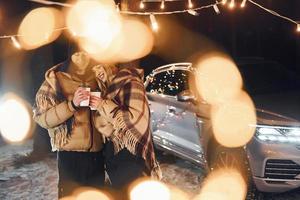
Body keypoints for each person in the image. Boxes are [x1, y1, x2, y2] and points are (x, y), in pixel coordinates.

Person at [33, 52, 105, 199]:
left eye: (85, 54)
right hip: (70, 156)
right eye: (77, 54)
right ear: (70, 56)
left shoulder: (98, 78)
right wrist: (72, 104)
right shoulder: (56, 80)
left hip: (96, 155)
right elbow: (42, 119)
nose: (82, 59)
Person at [89, 64, 162, 199]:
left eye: (99, 66)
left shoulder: (131, 83)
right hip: (114, 153)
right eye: (93, 69)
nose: (97, 72)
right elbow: (108, 123)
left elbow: (134, 121)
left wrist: (101, 105)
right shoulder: (106, 90)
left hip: (132, 154)